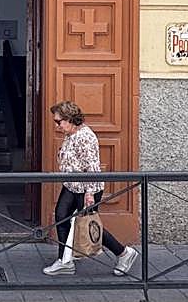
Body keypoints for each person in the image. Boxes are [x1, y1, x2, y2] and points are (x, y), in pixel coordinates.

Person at [43, 100, 138, 277]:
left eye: (59, 122)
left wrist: (90, 193)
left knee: (89, 225)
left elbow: (93, 167)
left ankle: (124, 253)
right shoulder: (71, 134)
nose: (57, 126)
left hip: (87, 187)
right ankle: (65, 261)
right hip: (72, 185)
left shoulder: (85, 137)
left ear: (70, 119)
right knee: (61, 217)